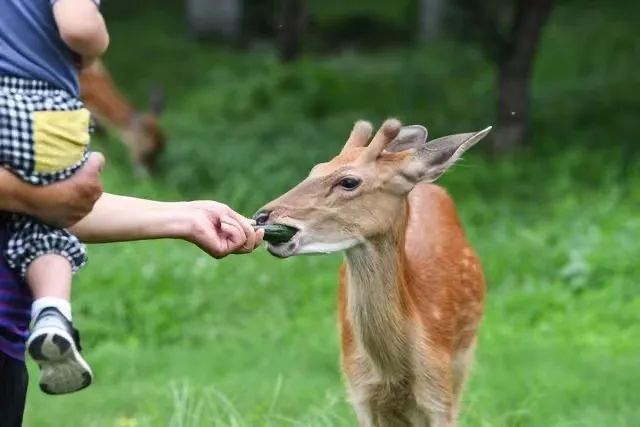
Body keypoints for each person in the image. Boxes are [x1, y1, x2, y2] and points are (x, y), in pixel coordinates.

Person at [0, 157, 264, 426]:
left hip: (9, 343)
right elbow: (47, 200)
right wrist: (42, 193)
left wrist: (189, 216)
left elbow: (59, 207)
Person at [2, 0, 110, 395]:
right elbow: (79, 27)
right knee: (49, 218)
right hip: (42, 110)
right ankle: (51, 311)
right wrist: (98, 45)